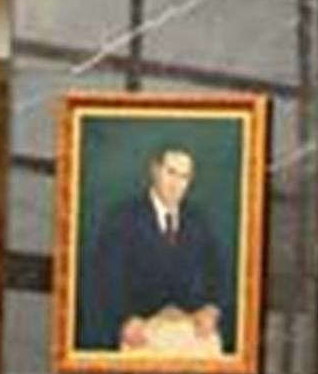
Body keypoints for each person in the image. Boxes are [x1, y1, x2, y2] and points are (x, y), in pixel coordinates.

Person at [78, 138, 229, 357]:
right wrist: (123, 320)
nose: (176, 183)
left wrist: (212, 308)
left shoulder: (198, 219)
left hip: (191, 328)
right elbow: (104, 278)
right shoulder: (123, 217)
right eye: (171, 172)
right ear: (155, 170)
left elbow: (219, 270)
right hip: (140, 332)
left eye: (184, 176)